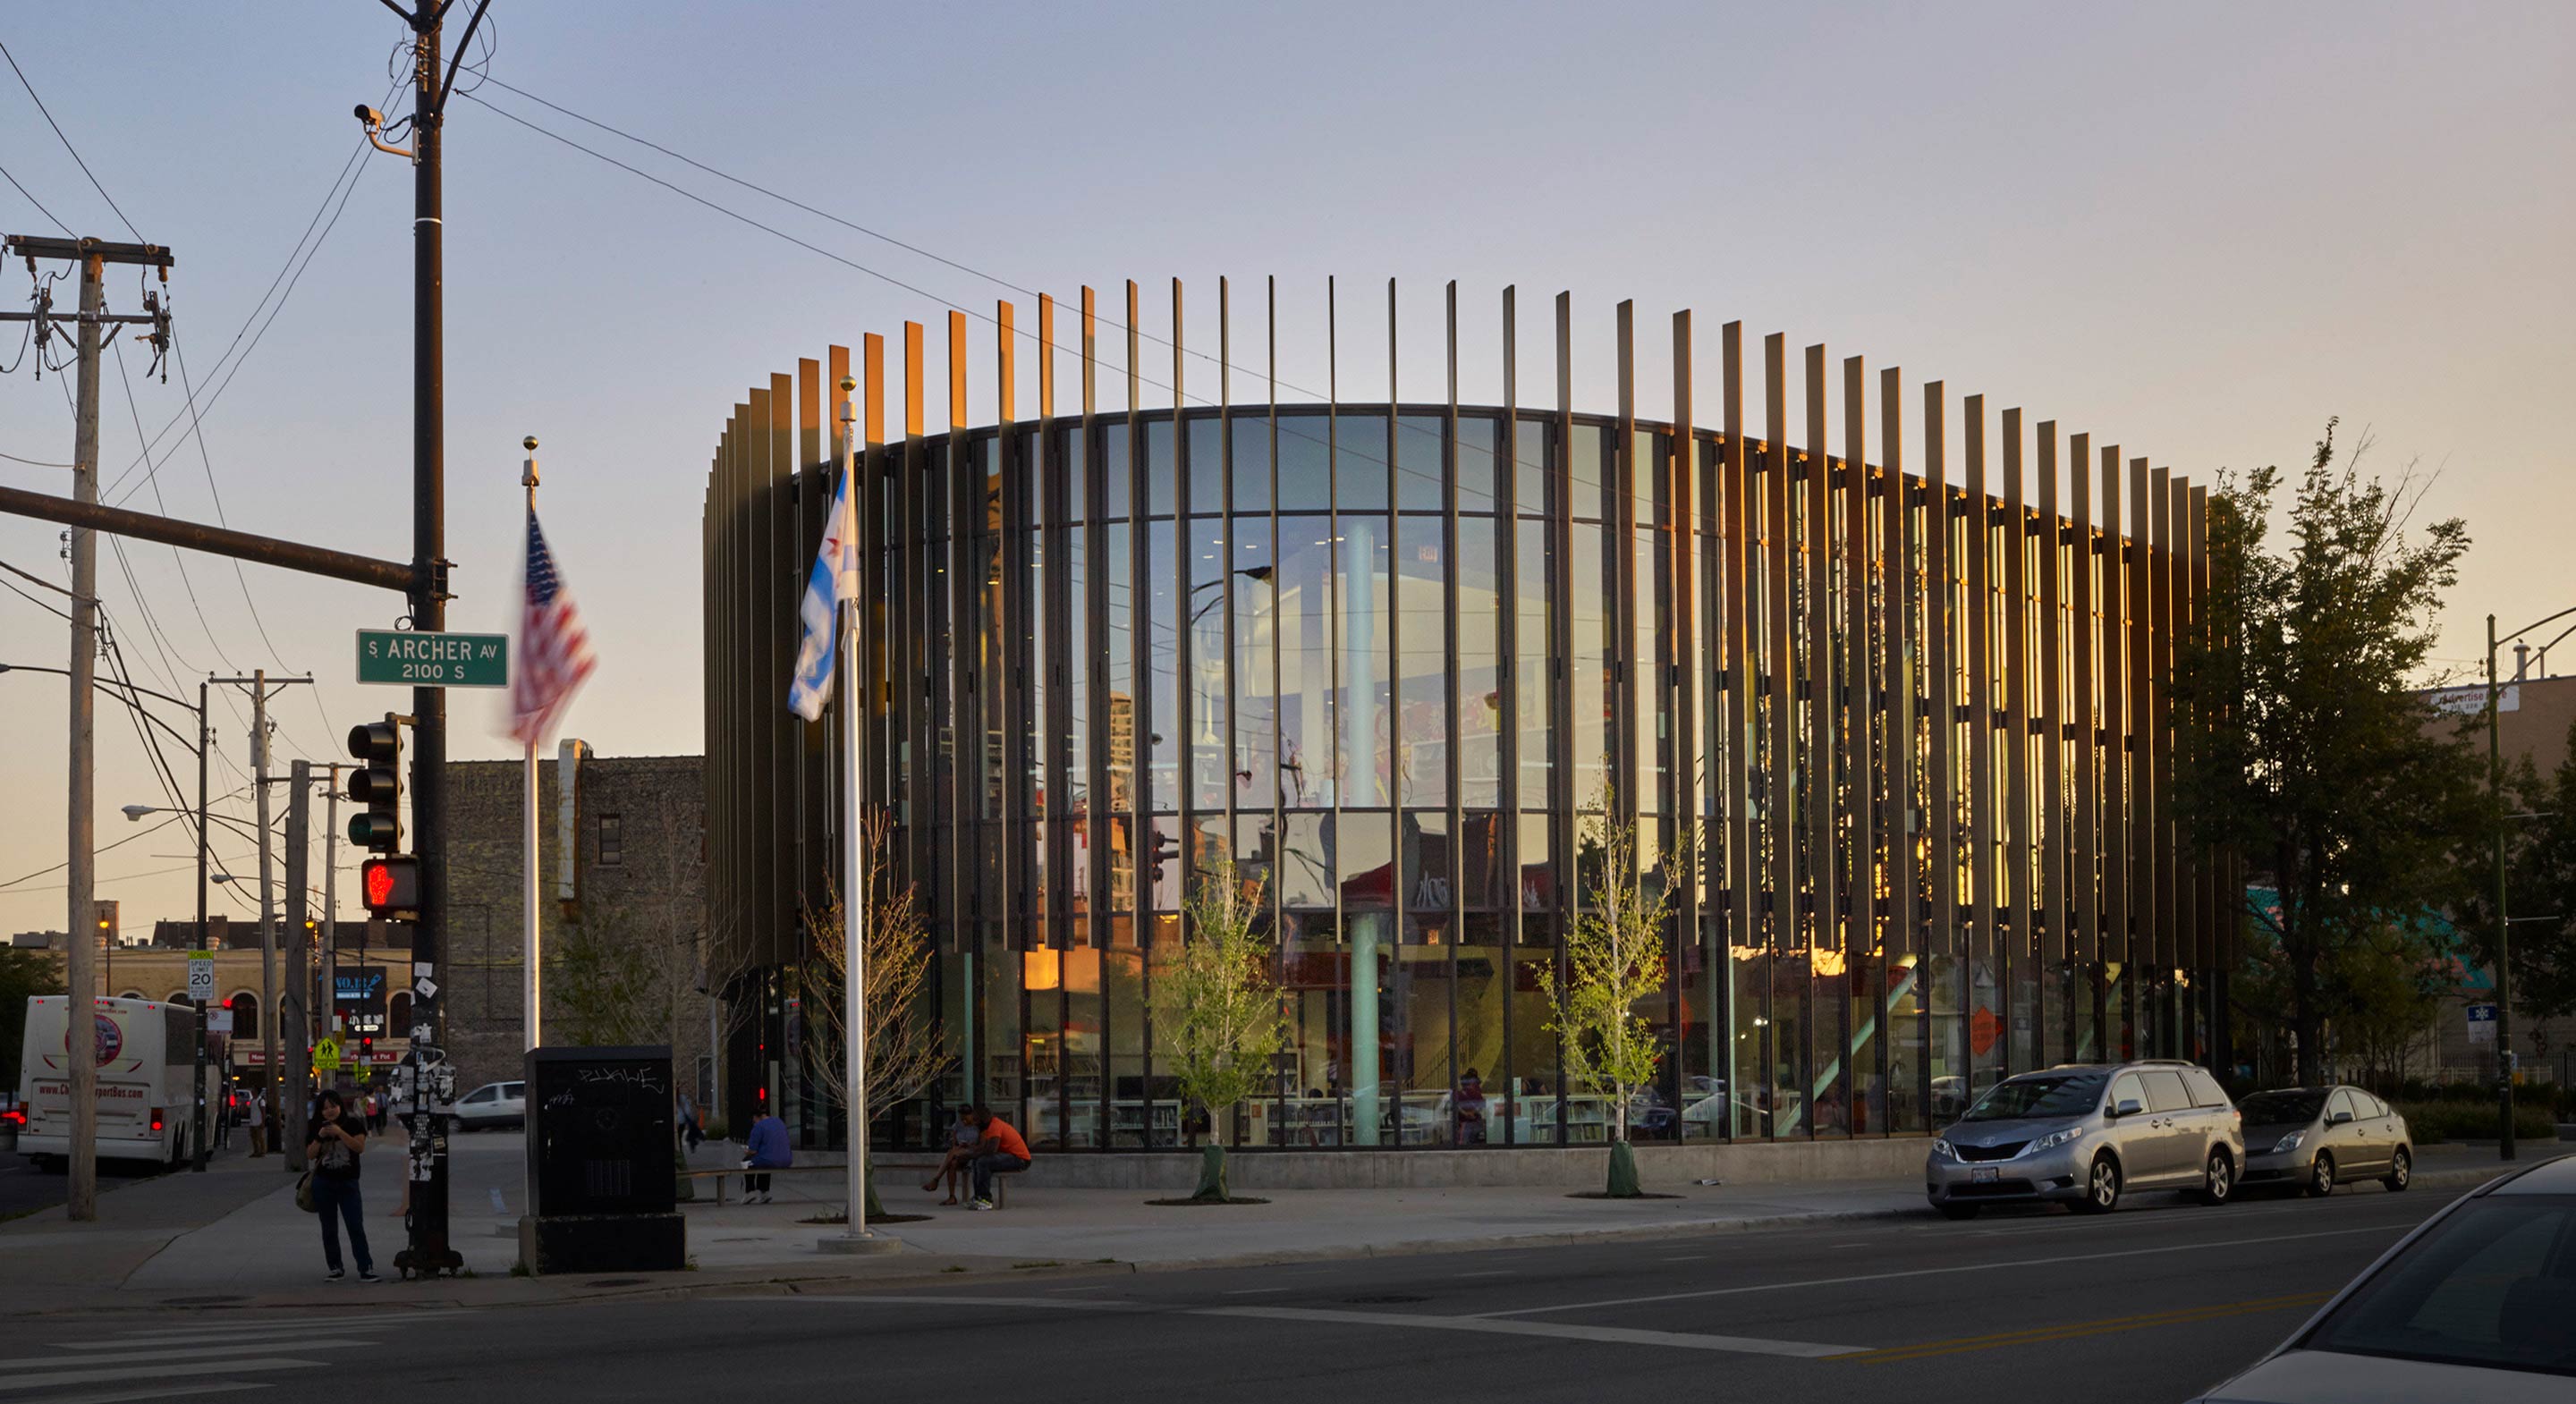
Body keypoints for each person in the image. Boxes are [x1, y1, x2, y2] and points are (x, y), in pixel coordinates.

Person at [306, 1089, 377, 1282]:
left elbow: (359, 1147)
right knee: (329, 1228)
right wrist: (320, 1137)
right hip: (324, 1183)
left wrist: (339, 1132)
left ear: (340, 1106)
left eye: (333, 1106)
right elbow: (310, 1155)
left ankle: (366, 1267)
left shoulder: (352, 1124)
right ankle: (335, 1267)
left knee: (355, 1225)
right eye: (325, 1108)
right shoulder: (314, 1126)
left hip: (348, 1183)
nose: (329, 1111)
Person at [961, 1104, 1030, 1211]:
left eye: (976, 1120)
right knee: (977, 1161)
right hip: (1010, 1156)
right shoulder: (990, 1126)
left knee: (983, 1162)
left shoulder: (995, 1126)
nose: (974, 1123)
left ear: (983, 1119)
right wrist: (971, 1155)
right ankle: (978, 1197)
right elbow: (984, 1148)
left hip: (1020, 1159)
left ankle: (986, 1199)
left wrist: (970, 1156)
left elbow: (991, 1150)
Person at [919, 1106, 981, 1205]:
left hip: (972, 1152)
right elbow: (953, 1140)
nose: (963, 1120)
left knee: (951, 1153)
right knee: (952, 1164)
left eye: (966, 1118)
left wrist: (969, 1145)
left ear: (972, 1115)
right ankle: (952, 1196)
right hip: (959, 1151)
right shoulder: (958, 1125)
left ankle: (936, 1179)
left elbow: (981, 1144)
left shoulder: (978, 1126)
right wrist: (956, 1143)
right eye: (961, 1118)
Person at [741, 1107, 791, 1204]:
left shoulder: (759, 1126)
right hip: (786, 1158)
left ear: (756, 1117)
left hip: (769, 1159)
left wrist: (746, 1151)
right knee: (764, 1161)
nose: (753, 1122)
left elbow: (752, 1150)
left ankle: (750, 1191)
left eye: (753, 1119)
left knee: (747, 1162)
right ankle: (764, 1192)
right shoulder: (779, 1122)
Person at [1454, 1068, 1488, 1146]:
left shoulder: (1458, 1093)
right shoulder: (1477, 1092)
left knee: (1463, 1144)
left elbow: (1456, 1106)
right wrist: (1472, 1113)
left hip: (1463, 1123)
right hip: (1474, 1122)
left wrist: (1466, 1113)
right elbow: (1481, 1106)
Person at [245, 1092, 267, 1158]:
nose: (252, 1092)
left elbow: (263, 1112)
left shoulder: (261, 1101)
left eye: (254, 1091)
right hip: (252, 1122)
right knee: (254, 1138)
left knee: (260, 1138)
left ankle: (262, 1152)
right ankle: (256, 1151)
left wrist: (263, 1122)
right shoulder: (252, 1100)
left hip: (259, 1122)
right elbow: (249, 1109)